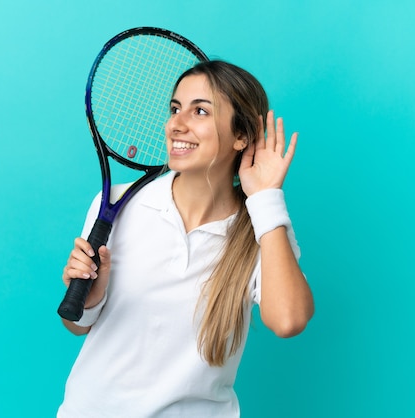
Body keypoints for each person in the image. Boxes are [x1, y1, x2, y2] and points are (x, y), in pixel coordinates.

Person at [56, 60, 314, 417]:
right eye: (175, 108)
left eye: (200, 111)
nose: (176, 124)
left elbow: (289, 320)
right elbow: (77, 326)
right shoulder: (114, 205)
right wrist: (91, 301)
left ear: (241, 137)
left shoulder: (263, 227)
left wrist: (266, 196)